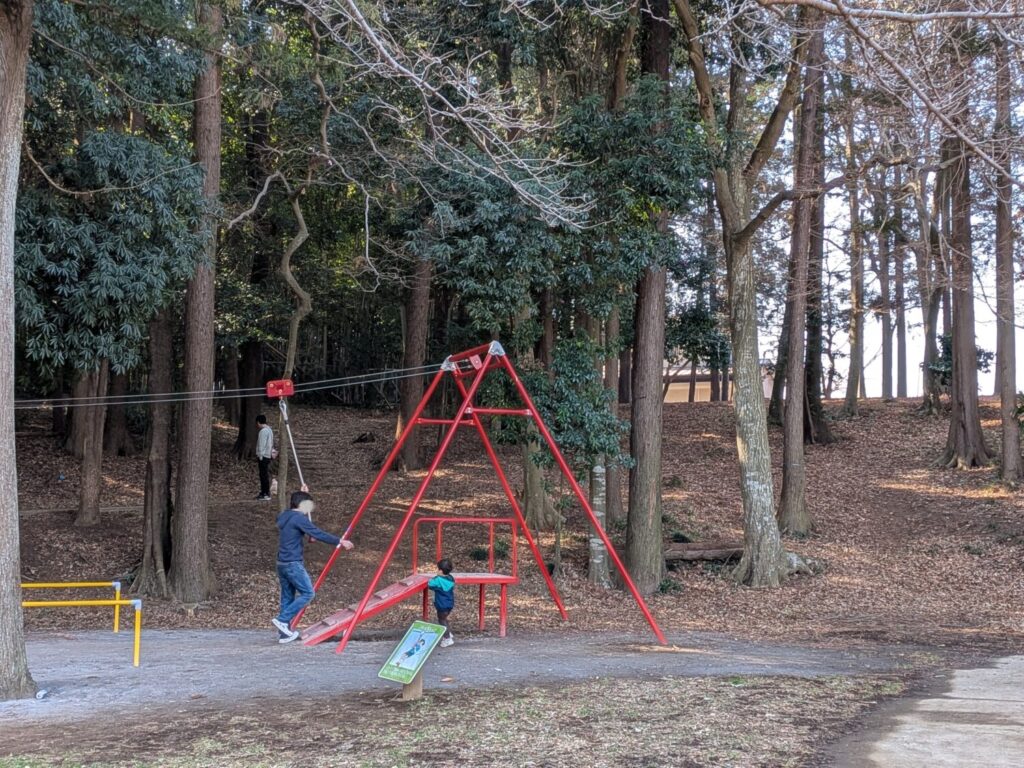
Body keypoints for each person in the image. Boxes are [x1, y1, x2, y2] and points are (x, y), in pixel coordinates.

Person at [272, 490, 353, 644]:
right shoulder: (299, 519)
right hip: (292, 563)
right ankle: (282, 620)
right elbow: (318, 533)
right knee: (308, 593)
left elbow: (310, 534)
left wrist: (303, 494)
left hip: (281, 563)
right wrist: (340, 541)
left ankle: (284, 634)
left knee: (287, 597)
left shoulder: (284, 516)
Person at [428, 558, 456, 647]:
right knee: (445, 618)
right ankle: (448, 633)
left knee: (441, 620)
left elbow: (430, 584)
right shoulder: (451, 578)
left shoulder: (438, 579)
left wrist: (436, 576)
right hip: (449, 603)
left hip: (441, 604)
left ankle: (447, 638)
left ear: (440, 570)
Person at [255, 414, 275, 500]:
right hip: (268, 455)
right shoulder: (269, 430)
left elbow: (261, 445)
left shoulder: (263, 431)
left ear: (258, 422)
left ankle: (265, 493)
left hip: (263, 456)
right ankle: (265, 492)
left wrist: (260, 456)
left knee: (263, 475)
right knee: (265, 475)